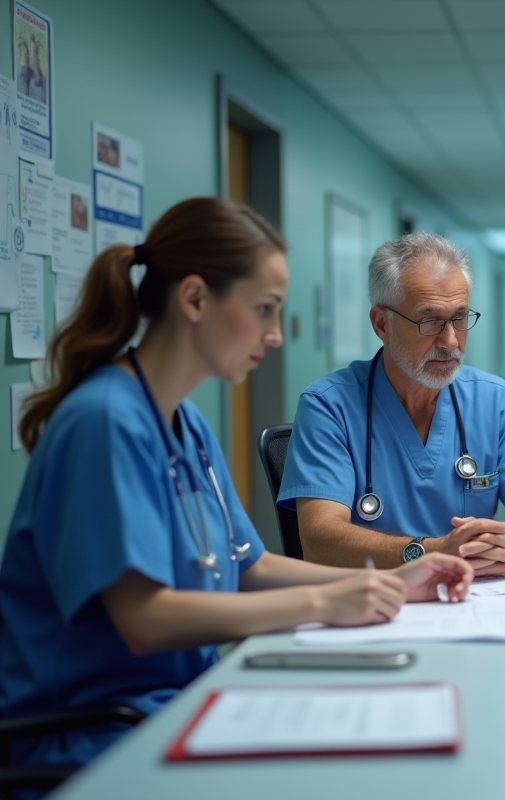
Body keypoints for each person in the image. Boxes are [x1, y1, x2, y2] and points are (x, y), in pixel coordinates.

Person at [0, 199, 473, 770]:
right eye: (264, 310)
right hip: (94, 738)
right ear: (195, 299)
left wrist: (396, 579)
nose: (275, 336)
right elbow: (145, 620)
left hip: (182, 704)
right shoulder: (104, 420)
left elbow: (248, 566)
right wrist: (326, 600)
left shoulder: (184, 421)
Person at [280, 233, 505, 575]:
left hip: (477, 601)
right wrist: (432, 552)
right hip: (372, 602)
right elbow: (320, 540)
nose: (451, 341)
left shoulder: (495, 399)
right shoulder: (329, 406)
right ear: (382, 324)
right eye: (430, 321)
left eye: (460, 318)